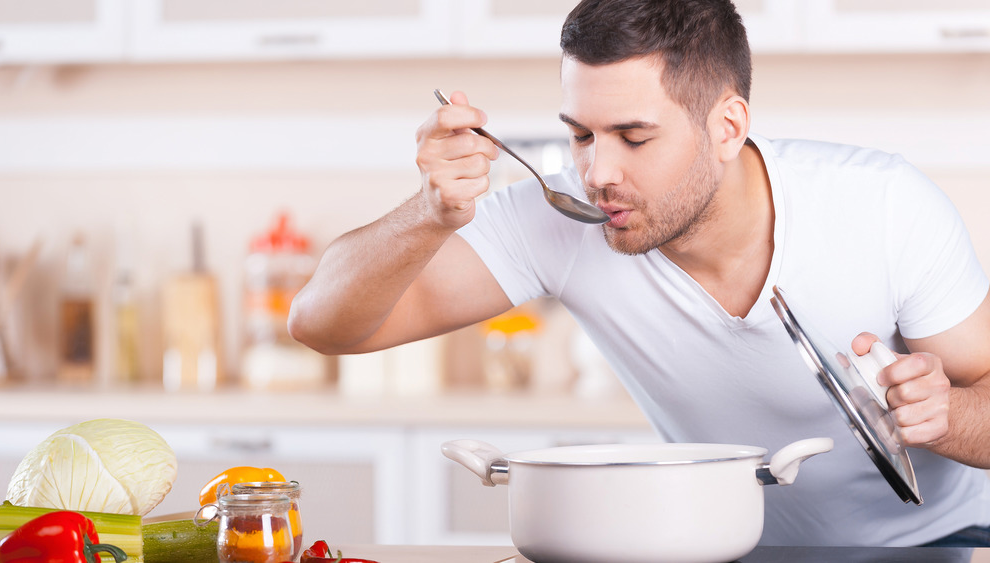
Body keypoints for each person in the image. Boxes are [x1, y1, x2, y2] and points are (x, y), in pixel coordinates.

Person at [289, 0, 990, 547]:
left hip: (940, 542)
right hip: (720, 545)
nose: (597, 173)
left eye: (633, 136)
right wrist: (427, 213)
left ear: (727, 126)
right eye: (581, 134)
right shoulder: (557, 218)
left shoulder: (884, 205)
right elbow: (320, 323)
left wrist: (946, 414)